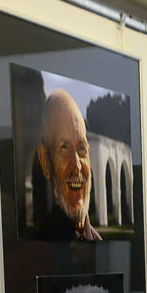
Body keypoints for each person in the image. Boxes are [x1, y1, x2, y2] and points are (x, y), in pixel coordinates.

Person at [34, 89, 102, 242]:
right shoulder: (35, 251)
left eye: (81, 149)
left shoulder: (99, 243)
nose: (77, 166)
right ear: (45, 161)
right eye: (64, 147)